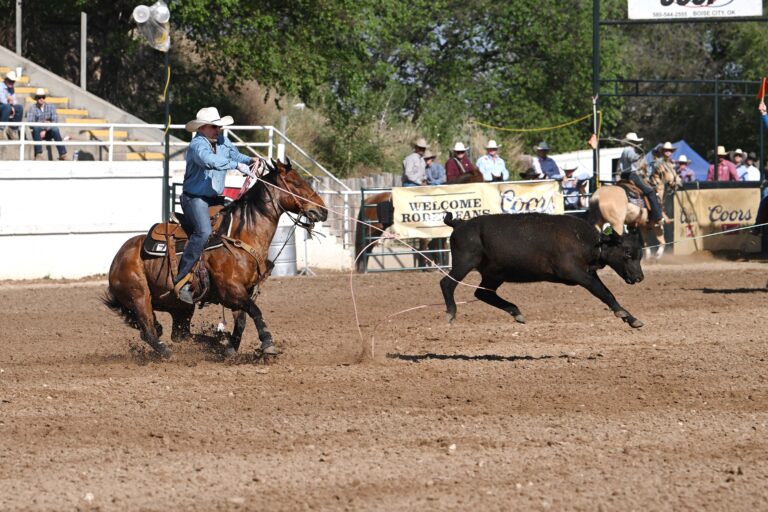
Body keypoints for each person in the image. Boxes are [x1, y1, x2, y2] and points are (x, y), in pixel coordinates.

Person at [174, 107, 261, 304]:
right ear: (203, 128)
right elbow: (209, 161)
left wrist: (250, 160)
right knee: (203, 232)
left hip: (214, 199)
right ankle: (181, 279)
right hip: (194, 198)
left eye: (219, 126)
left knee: (233, 228)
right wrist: (235, 166)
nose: (218, 130)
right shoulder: (197, 145)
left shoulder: (221, 141)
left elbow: (235, 155)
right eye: (214, 126)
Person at [617, 132, 663, 223]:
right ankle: (658, 217)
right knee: (650, 191)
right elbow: (632, 158)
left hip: (624, 175)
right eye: (634, 141)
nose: (636, 143)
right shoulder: (629, 150)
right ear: (631, 142)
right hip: (631, 175)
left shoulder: (626, 149)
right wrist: (639, 156)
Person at [27, 88, 67, 160]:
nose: (41, 99)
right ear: (36, 98)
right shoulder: (32, 108)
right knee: (36, 128)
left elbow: (55, 121)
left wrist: (45, 129)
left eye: (43, 97)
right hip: (37, 133)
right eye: (39, 97)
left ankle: (63, 154)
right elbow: (30, 123)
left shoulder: (51, 107)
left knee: (55, 129)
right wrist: (44, 123)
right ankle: (38, 154)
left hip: (48, 132)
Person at [0, 71, 23, 139]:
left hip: (6, 106)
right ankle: (0, 129)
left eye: (13, 81)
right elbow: (2, 100)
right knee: (7, 107)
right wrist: (11, 104)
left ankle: (13, 129)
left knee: (19, 108)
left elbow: (15, 100)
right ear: (6, 80)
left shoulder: (11, 88)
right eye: (10, 81)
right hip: (3, 106)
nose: (12, 83)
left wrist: (11, 104)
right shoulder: (0, 86)